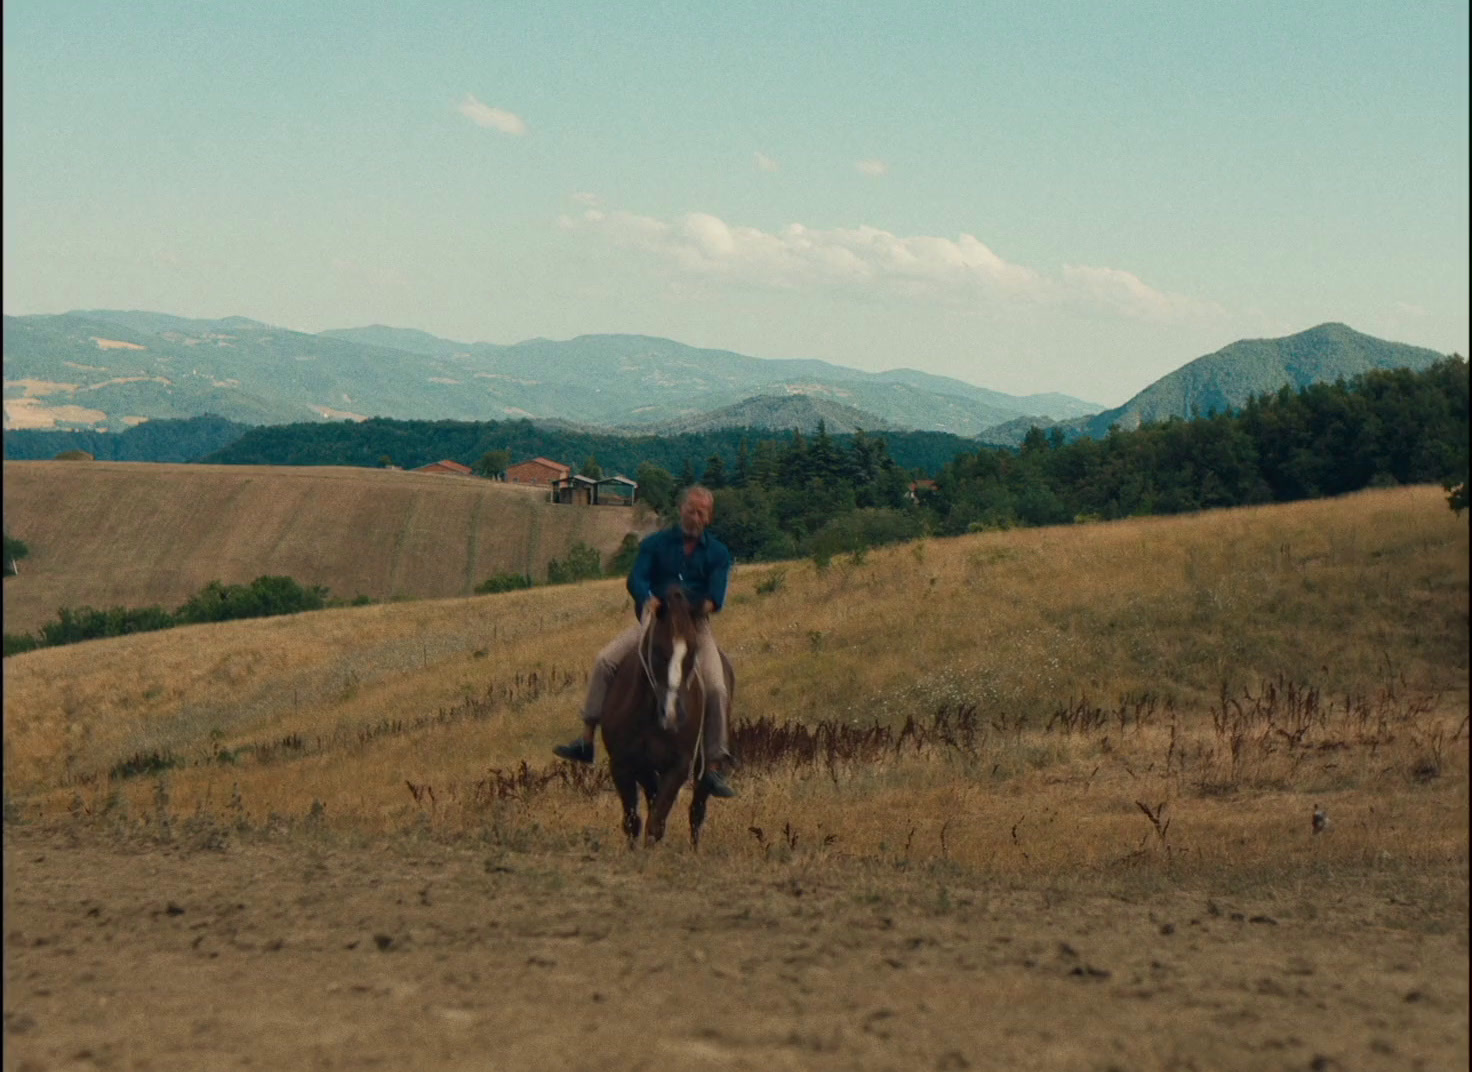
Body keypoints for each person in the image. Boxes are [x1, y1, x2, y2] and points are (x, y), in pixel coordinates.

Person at [552, 485, 738, 797]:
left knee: (718, 688)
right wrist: (648, 599)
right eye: (692, 510)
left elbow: (715, 598)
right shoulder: (656, 544)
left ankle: (715, 767)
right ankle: (586, 739)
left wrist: (691, 610)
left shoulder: (718, 553)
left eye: (702, 512)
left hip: (694, 626)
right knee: (605, 660)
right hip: (657, 621)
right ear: (682, 510)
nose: (696, 517)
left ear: (710, 516)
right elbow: (636, 578)